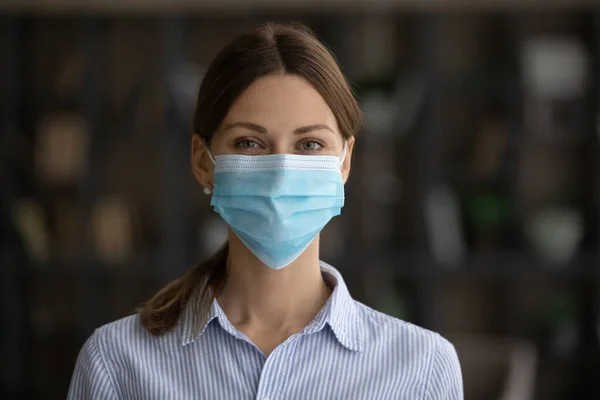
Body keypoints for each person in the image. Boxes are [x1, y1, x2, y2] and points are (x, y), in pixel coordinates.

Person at [67, 22, 463, 399]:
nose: (280, 175)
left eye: (309, 145)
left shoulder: (422, 369)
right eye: (249, 143)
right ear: (203, 161)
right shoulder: (116, 363)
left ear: (344, 162)